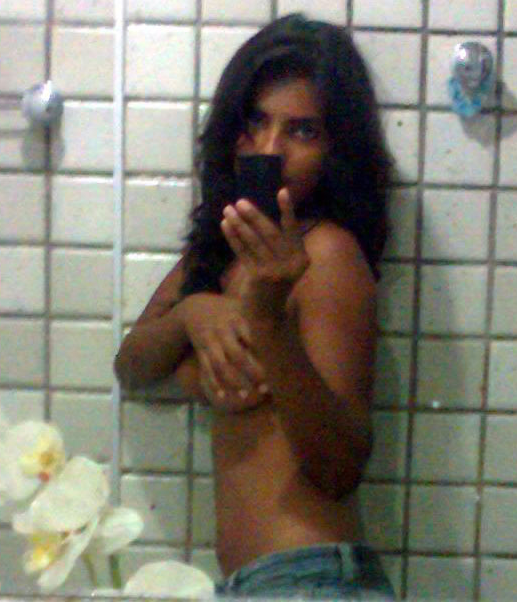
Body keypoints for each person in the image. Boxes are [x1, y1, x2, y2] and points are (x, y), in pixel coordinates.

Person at [114, 13, 396, 600]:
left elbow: (339, 467)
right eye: (256, 122)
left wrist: (265, 319)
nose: (270, 149)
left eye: (302, 131)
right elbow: (131, 366)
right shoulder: (220, 251)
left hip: (312, 580)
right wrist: (194, 312)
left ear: (336, 148)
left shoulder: (327, 254)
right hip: (263, 585)